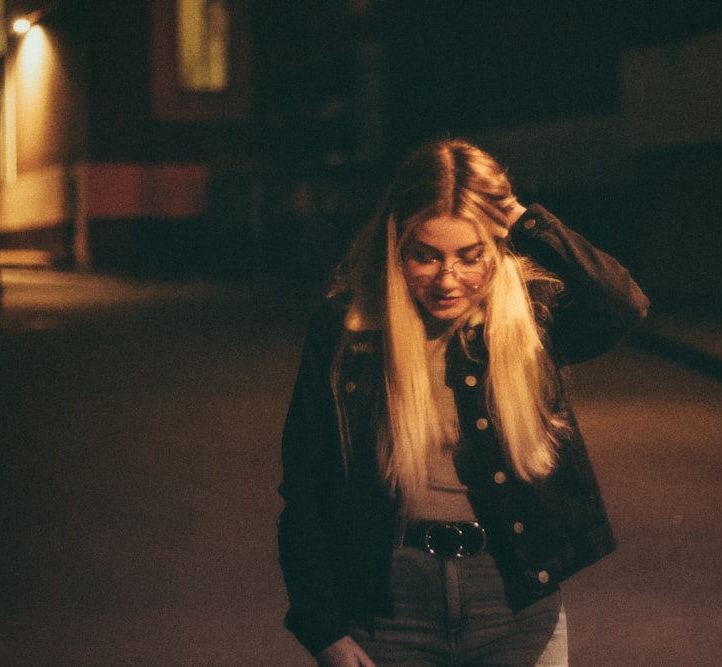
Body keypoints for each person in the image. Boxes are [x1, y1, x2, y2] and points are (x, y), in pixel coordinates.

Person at [277, 138, 650, 666]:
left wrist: (524, 219)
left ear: (495, 248)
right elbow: (305, 484)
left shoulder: (529, 318)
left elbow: (622, 302)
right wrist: (324, 630)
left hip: (513, 606)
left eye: (470, 257)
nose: (449, 280)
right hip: (387, 612)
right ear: (395, 246)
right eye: (425, 257)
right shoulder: (349, 330)